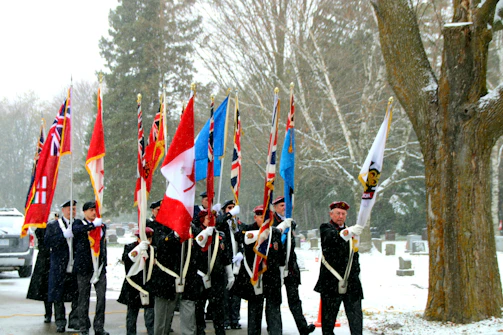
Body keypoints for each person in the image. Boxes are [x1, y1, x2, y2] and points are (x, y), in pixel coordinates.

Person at [232, 205, 288, 335]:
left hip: (271, 278)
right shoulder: (247, 230)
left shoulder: (275, 232)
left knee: (274, 312)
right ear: (255, 217)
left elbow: (280, 255)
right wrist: (262, 233)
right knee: (254, 313)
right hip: (254, 277)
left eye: (267, 217)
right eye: (261, 216)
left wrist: (281, 274)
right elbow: (239, 237)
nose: (264, 220)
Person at [314, 201, 364, 335]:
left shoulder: (352, 232)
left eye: (343, 214)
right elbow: (332, 239)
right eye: (337, 213)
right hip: (331, 282)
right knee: (328, 321)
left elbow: (355, 256)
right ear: (331, 214)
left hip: (351, 282)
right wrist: (349, 232)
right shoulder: (326, 228)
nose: (340, 216)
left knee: (356, 320)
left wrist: (355, 274)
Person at [150, 210, 202, 335]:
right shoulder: (162, 227)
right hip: (166, 280)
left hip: (188, 280)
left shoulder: (193, 230)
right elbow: (160, 246)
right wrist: (174, 236)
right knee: (162, 323)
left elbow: (199, 251)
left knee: (189, 322)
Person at [271, 196, 315, 335]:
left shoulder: (291, 222)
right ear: (275, 207)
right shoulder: (271, 221)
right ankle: (275, 329)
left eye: (286, 205)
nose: (284, 208)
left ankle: (303, 328)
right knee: (274, 301)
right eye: (281, 206)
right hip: (275, 267)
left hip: (290, 267)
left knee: (294, 300)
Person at [194, 209, 234, 335]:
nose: (212, 221)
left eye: (214, 218)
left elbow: (225, 256)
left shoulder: (220, 235)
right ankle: (200, 330)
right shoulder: (198, 232)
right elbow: (197, 245)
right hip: (201, 275)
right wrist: (206, 233)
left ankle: (220, 330)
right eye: (208, 218)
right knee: (199, 306)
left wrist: (230, 274)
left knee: (218, 307)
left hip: (218, 276)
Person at [72, 201, 109, 335]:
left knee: (101, 298)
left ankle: (99, 327)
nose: (94, 213)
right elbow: (76, 231)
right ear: (85, 212)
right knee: (83, 298)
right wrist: (92, 226)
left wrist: (104, 263)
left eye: (95, 210)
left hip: (99, 267)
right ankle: (83, 326)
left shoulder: (101, 226)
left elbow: (103, 246)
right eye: (91, 210)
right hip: (84, 267)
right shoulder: (79, 223)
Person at [45, 200, 79, 333]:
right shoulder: (54, 225)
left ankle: (74, 319)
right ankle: (60, 321)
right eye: (70, 209)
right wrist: (62, 236)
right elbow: (48, 242)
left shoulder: (77, 224)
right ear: (63, 210)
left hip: (74, 264)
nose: (72, 212)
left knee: (76, 293)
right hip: (59, 265)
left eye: (75, 209)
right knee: (58, 295)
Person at [118, 227, 155, 335]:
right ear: (138, 239)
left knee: (150, 315)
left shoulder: (153, 249)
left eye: (149, 238)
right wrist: (138, 249)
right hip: (133, 285)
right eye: (144, 238)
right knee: (132, 315)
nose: (148, 241)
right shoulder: (130, 247)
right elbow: (127, 261)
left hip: (148, 285)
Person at [216, 200, 243, 330]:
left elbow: (241, 240)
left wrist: (241, 253)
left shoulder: (236, 224)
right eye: (229, 208)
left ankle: (235, 319)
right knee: (225, 294)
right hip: (224, 263)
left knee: (236, 294)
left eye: (233, 208)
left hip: (235, 263)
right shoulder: (222, 223)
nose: (232, 210)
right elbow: (217, 223)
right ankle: (225, 319)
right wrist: (227, 214)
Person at [26, 224, 54, 323]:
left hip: (56, 258)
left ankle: (59, 315)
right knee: (45, 288)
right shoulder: (41, 228)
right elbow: (40, 237)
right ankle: (48, 313)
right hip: (44, 260)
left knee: (57, 288)